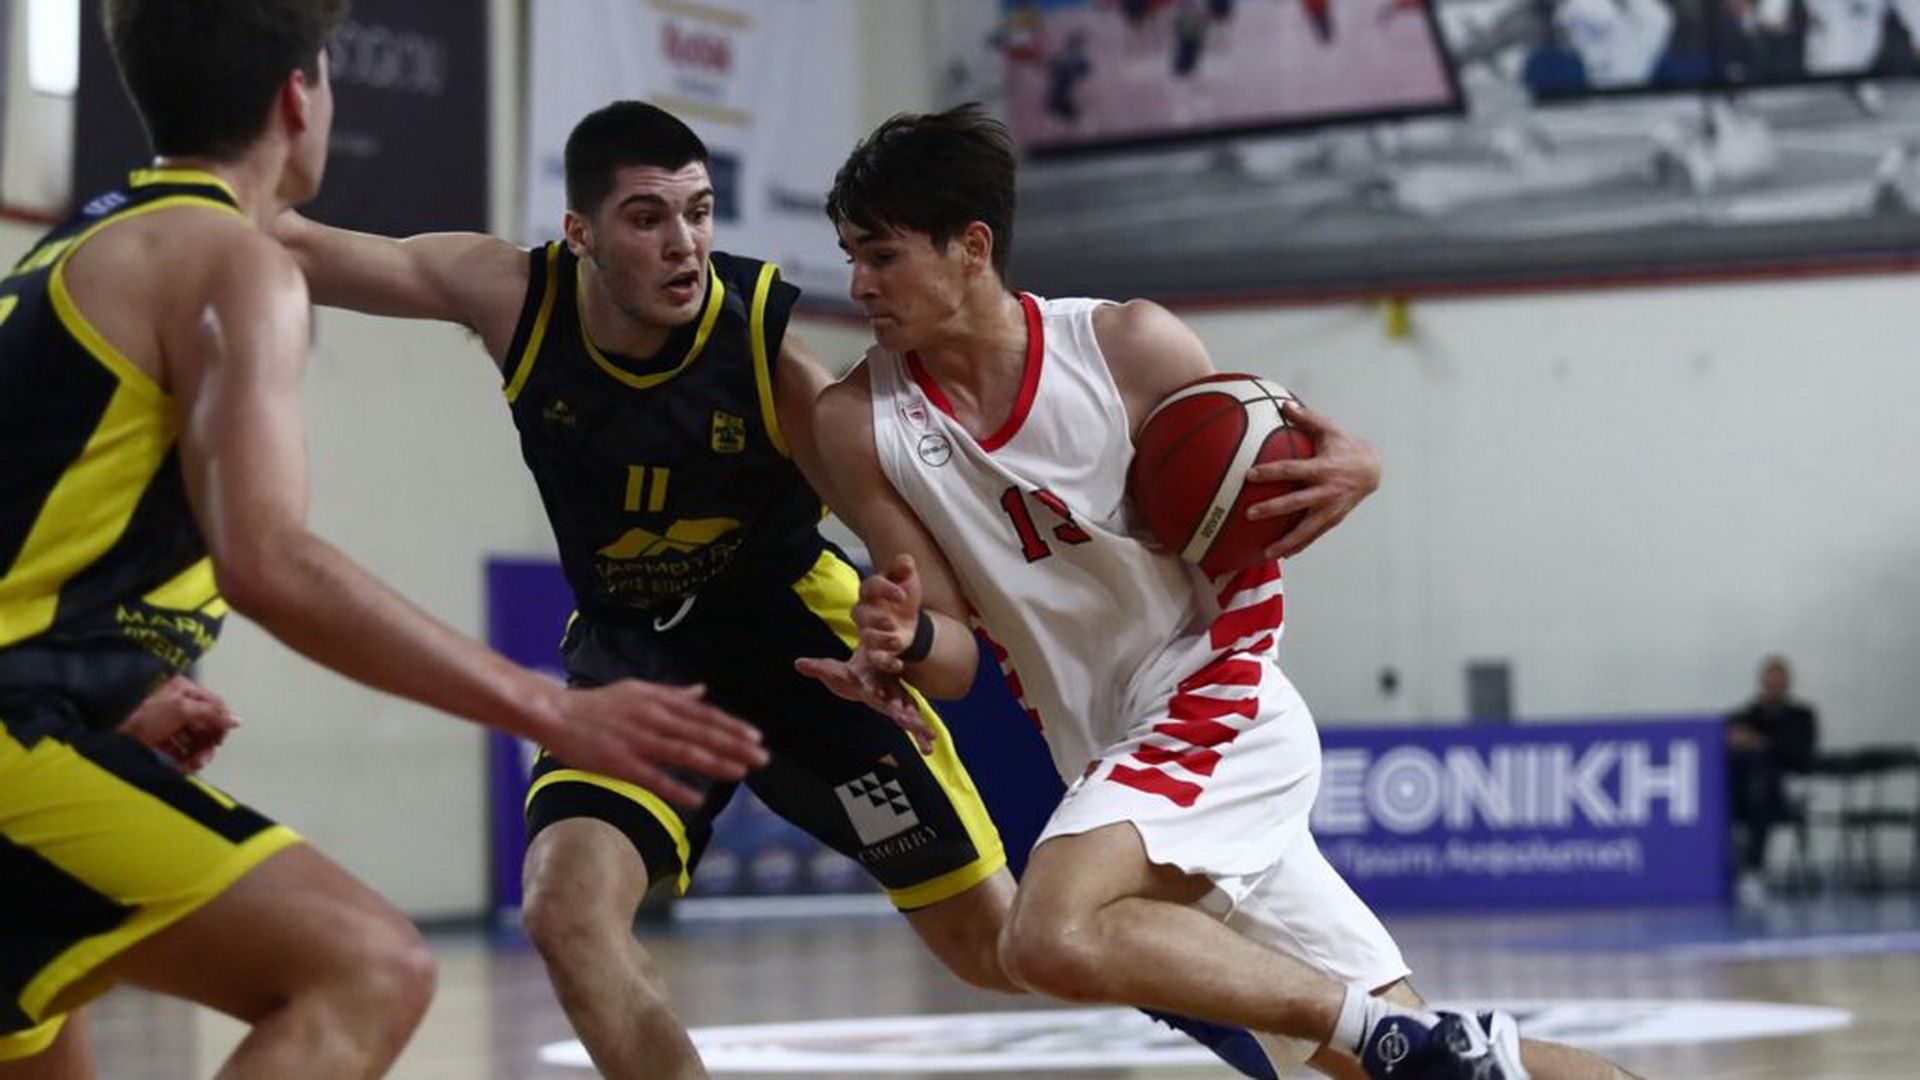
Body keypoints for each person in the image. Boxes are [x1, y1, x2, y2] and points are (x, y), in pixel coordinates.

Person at [802, 104, 1648, 1080]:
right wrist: (905, 641)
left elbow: (1273, 455)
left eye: (883, 257)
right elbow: (953, 658)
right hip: (1109, 752)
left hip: (1215, 701)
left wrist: (1358, 464)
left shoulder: (1126, 346)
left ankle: (1395, 1037)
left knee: (1045, 936)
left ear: (973, 247)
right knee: (1414, 1068)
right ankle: (1415, 1042)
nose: (858, 285)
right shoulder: (861, 421)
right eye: (851, 257)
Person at [0, 4, 766, 1076]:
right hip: (17, 738)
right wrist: (546, 705)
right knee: (369, 969)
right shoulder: (231, 262)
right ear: (298, 97)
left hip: (55, 723)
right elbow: (268, 561)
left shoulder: (74, 249)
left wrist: (111, 691)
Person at [270, 100, 1017, 1080]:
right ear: (579, 233)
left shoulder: (767, 352)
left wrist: (905, 637)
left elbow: (917, 575)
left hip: (799, 647)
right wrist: (184, 174)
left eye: (699, 213)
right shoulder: (513, 297)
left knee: (1002, 952)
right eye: (647, 218)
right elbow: (298, 246)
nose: (683, 244)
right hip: (640, 656)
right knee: (565, 913)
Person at [1726, 655, 1818, 888]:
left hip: (1784, 790)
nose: (1774, 688)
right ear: (1762, 684)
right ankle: (1730, 865)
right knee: (1741, 781)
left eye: (1779, 684)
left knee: (1761, 784)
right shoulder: (1746, 716)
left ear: (1787, 685)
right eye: (1770, 683)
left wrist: (1761, 743)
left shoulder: (1801, 717)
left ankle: (1753, 869)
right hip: (1746, 792)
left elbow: (1800, 754)